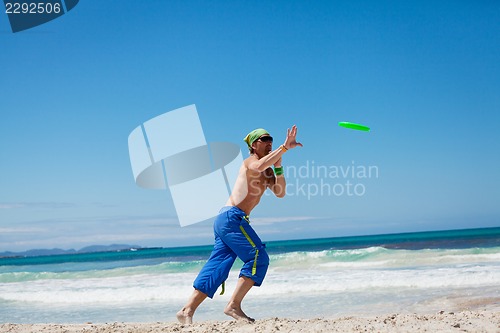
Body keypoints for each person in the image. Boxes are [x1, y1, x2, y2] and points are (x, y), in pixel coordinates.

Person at [176, 125, 302, 324]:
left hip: (226, 220)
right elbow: (258, 166)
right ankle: (233, 306)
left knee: (218, 266)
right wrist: (283, 148)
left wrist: (279, 165)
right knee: (258, 256)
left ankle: (186, 310)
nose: (270, 142)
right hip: (231, 218)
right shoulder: (250, 162)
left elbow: (280, 192)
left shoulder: (267, 171)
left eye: (271, 139)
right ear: (254, 144)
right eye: (265, 139)